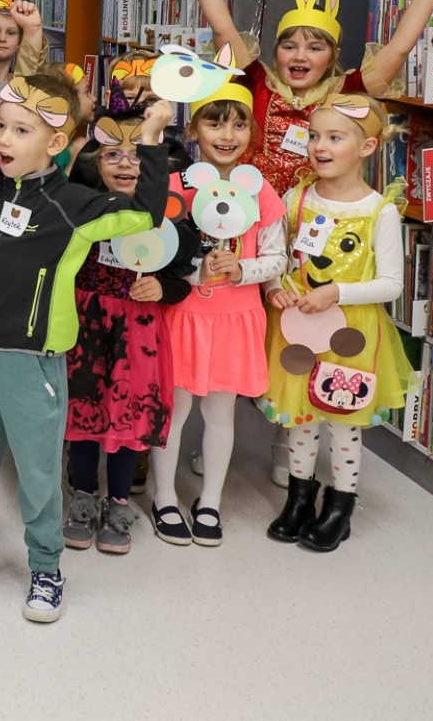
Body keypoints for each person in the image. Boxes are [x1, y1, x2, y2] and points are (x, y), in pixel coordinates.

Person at [0, 76, 172, 623]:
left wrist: (151, 140)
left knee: (35, 472)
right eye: (4, 126)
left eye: (22, 130)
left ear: (56, 143)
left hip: (34, 361)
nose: (7, 139)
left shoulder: (75, 205)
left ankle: (46, 567)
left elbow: (146, 214)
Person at [172, 0, 433, 195]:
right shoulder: (254, 80)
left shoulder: (348, 91)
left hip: (317, 216)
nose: (300, 55)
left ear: (333, 57)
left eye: (315, 48)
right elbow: (223, 27)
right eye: (290, 46)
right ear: (276, 51)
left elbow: (401, 47)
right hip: (252, 209)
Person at [260, 95, 411, 552]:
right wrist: (273, 288)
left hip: (352, 338)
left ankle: (341, 505)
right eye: (314, 136)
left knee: (343, 420)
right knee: (300, 418)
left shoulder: (378, 210)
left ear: (366, 148)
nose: (319, 147)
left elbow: (391, 285)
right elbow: (277, 257)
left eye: (334, 137)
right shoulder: (296, 197)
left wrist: (337, 292)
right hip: (299, 330)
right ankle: (299, 499)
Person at [150, 83, 286, 546]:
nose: (227, 134)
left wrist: (243, 268)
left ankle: (209, 501)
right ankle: (164, 496)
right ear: (192, 129)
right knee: (175, 408)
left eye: (239, 123)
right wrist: (192, 270)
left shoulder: (261, 191)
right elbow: (157, 253)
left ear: (252, 130)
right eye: (214, 121)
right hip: (185, 315)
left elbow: (277, 258)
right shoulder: (177, 187)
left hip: (236, 316)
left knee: (221, 412)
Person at [61, 107, 199, 556]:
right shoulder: (83, 208)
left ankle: (119, 500)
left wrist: (163, 287)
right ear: (94, 163)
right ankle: (83, 495)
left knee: (127, 414)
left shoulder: (171, 218)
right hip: (85, 324)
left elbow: (184, 280)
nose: (125, 163)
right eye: (112, 155)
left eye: (137, 155)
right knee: (82, 412)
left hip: (137, 331)